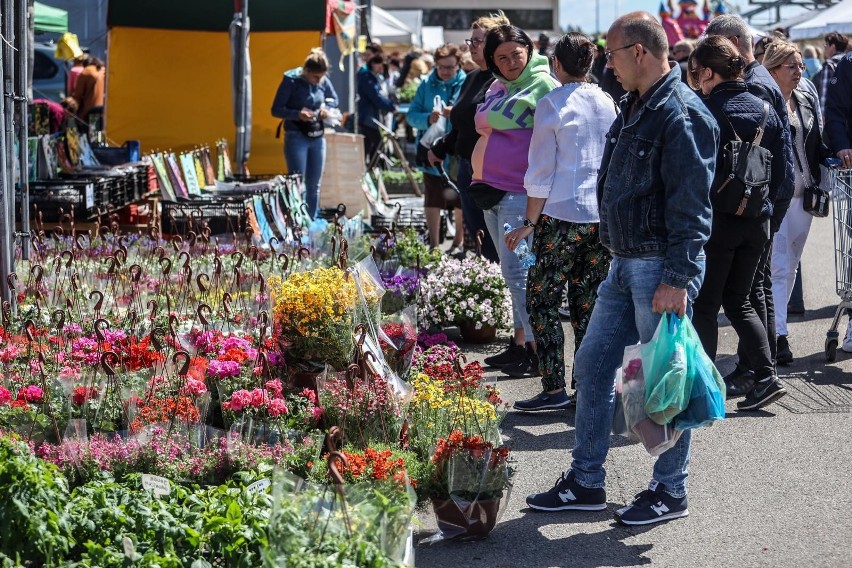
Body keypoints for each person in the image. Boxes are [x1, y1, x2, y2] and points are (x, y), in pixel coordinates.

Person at [525, 12, 718, 525]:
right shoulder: (637, 103)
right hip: (624, 261)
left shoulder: (679, 112)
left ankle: (669, 489)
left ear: (638, 52)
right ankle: (587, 480)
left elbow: (692, 207)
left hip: (657, 267)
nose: (605, 63)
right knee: (593, 365)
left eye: (610, 53)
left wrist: (677, 277)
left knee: (660, 381)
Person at [506, 33, 615, 411]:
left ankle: (554, 387)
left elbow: (541, 171)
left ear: (556, 64)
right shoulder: (607, 101)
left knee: (543, 301)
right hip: (599, 218)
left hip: (560, 216)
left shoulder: (551, 104)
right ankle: (586, 387)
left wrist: (529, 223)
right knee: (588, 305)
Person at [688, 36, 788, 411]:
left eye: (697, 72)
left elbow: (697, 172)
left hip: (720, 219)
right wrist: (764, 211)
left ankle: (702, 388)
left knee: (706, 304)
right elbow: (780, 169)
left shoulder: (706, 110)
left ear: (710, 72)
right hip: (757, 221)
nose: (696, 79)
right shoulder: (765, 107)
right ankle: (766, 376)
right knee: (741, 301)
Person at [470, 24, 559, 377]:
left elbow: (551, 140)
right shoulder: (498, 87)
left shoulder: (544, 86)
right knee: (514, 275)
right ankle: (523, 346)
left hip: (519, 196)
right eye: (500, 58)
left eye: (515, 55)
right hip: (493, 192)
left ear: (530, 49)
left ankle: (541, 354)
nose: (509, 63)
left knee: (520, 273)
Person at [765, 41, 832, 365]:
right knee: (778, 266)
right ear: (773, 69)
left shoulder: (805, 99)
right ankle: (778, 336)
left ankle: (776, 327)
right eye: (792, 66)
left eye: (801, 66)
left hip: (803, 197)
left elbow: (816, 142)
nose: (799, 72)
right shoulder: (764, 102)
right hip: (775, 197)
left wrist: (833, 160)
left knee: (789, 267)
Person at [427, 11, 510, 264]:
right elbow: (462, 124)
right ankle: (489, 291)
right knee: (479, 237)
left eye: (478, 41)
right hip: (467, 168)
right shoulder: (472, 77)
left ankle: (508, 293)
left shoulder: (502, 81)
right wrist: (441, 147)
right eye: (470, 40)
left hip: (492, 173)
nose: (471, 46)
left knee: (500, 241)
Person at [406, 43, 466, 251]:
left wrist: (455, 113)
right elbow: (411, 116)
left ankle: (458, 242)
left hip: (457, 151)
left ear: (458, 65)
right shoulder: (426, 85)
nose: (445, 71)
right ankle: (433, 244)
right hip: (431, 150)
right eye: (441, 67)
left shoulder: (466, 83)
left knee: (459, 198)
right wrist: (427, 119)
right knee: (432, 196)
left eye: (450, 67)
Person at [271, 48, 339, 220]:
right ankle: (296, 223)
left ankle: (310, 222)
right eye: (315, 77)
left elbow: (334, 99)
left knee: (314, 185)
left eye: (321, 77)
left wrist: (326, 108)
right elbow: (276, 110)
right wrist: (297, 114)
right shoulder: (291, 81)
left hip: (317, 136)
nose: (318, 81)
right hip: (296, 136)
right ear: (306, 71)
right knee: (297, 184)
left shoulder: (322, 81)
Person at [357, 53, 396, 165]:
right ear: (373, 64)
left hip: (369, 116)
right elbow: (376, 97)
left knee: (368, 145)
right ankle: (375, 169)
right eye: (380, 65)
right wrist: (390, 106)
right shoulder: (367, 77)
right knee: (377, 144)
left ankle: (368, 170)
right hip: (367, 117)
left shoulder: (370, 76)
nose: (381, 68)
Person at [815, 32, 848, 115]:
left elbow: (824, 93)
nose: (824, 47)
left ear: (833, 47)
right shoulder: (849, 61)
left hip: (836, 114)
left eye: (826, 44)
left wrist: (823, 115)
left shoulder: (830, 64)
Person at [71, 55, 105, 123]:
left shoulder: (86, 72)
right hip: (104, 109)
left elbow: (78, 95)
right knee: (99, 132)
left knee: (89, 131)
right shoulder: (103, 70)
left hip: (89, 111)